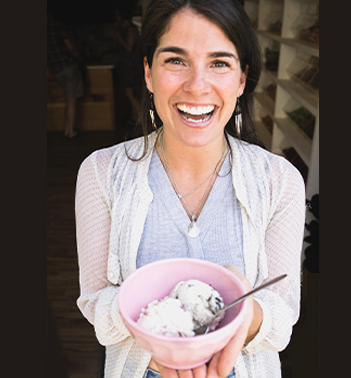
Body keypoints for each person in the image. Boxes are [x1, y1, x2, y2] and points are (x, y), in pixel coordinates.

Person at [75, 1, 306, 377]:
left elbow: (283, 316)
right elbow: (95, 303)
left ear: (242, 78)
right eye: (176, 61)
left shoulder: (279, 181)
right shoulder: (101, 173)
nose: (198, 85)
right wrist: (162, 339)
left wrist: (243, 312)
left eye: (219, 63)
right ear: (148, 73)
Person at [47, 12, 84, 139]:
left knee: (68, 99)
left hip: (55, 69)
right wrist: (79, 59)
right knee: (72, 99)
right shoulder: (58, 26)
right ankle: (70, 131)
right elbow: (70, 47)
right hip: (68, 66)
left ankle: (67, 129)